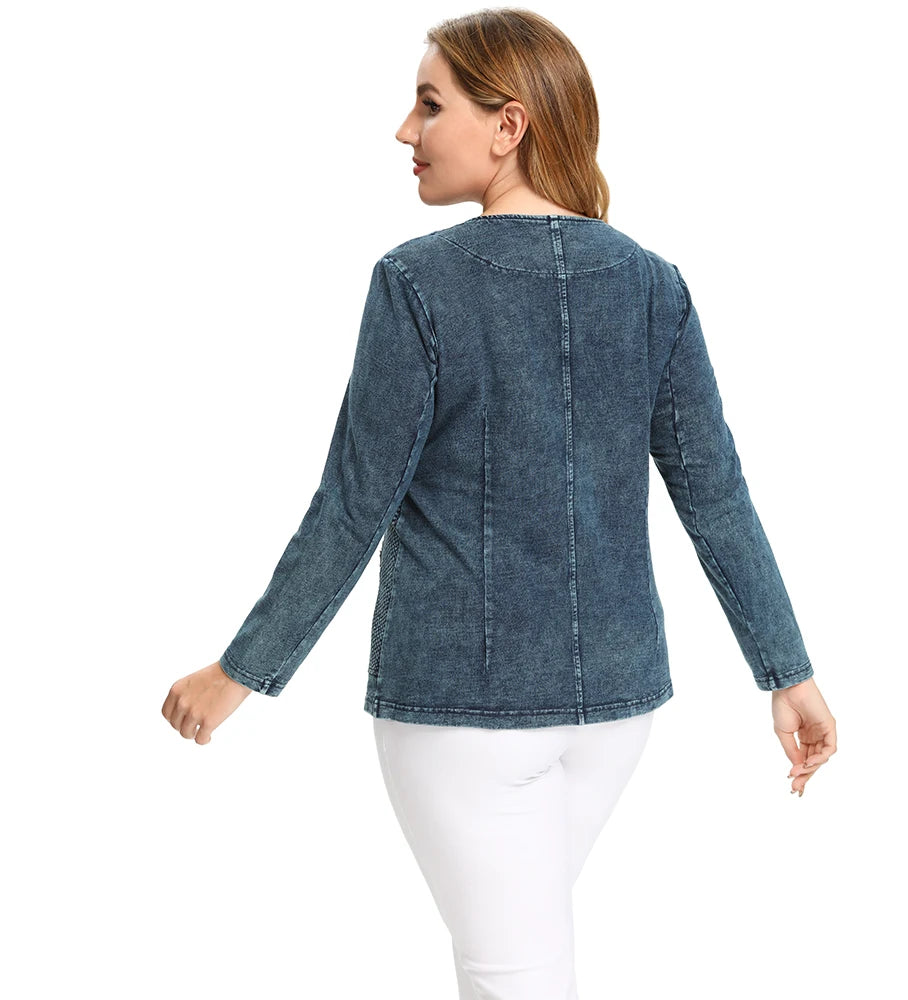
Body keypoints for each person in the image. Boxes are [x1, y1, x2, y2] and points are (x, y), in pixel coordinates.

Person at [162, 8, 837, 998]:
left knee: (516, 974)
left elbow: (354, 501)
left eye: (430, 105)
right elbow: (716, 494)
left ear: (508, 125)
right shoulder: (654, 285)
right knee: (524, 965)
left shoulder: (417, 283)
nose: (405, 129)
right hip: (615, 710)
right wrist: (787, 669)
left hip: (463, 713)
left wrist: (242, 672)